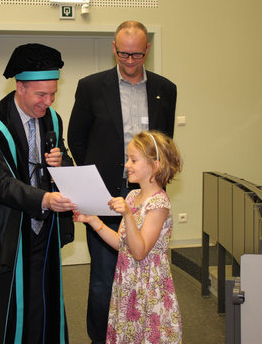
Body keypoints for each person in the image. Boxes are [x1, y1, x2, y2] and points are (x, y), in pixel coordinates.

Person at [67, 20, 177, 343]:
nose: (130, 61)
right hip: (105, 194)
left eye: (137, 55)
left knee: (143, 272)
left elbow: (164, 143)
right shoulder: (90, 87)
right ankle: (102, 338)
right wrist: (101, 177)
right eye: (124, 54)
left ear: (148, 50)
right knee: (103, 276)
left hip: (146, 193)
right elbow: (77, 138)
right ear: (113, 49)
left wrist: (147, 179)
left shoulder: (164, 90)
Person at [0, 43, 76, 344]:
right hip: (10, 234)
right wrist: (44, 199)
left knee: (44, 302)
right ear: (20, 86)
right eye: (41, 94)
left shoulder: (53, 119)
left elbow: (64, 159)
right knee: (12, 313)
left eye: (53, 93)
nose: (48, 101)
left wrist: (61, 163)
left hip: (45, 230)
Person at [74, 130, 183, 343]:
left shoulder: (159, 204)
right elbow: (122, 244)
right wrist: (94, 221)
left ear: (155, 165)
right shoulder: (133, 195)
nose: (127, 165)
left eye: (133, 160)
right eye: (127, 159)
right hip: (128, 282)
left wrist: (126, 214)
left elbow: (140, 251)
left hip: (148, 288)